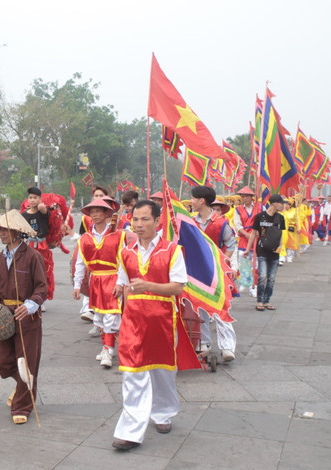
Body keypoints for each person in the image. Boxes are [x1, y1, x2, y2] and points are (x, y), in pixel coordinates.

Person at [110, 200, 200, 450]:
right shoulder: (126, 251)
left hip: (162, 319)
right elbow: (124, 280)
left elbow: (178, 287)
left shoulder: (172, 250)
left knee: (162, 372)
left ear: (157, 220)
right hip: (133, 320)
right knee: (132, 373)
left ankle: (163, 412)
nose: (138, 225)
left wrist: (148, 286)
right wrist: (120, 291)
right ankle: (130, 430)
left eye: (144, 219)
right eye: (135, 219)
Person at [0, 210, 48, 425]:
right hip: (6, 316)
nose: (1, 233)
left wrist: (30, 305)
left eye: (5, 229)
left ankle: (22, 404)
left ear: (17, 231)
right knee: (2, 363)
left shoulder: (33, 256)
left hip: (27, 317)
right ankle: (25, 385)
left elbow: (42, 287)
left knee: (27, 363)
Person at [73, 198, 126, 368]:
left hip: (112, 278)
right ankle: (107, 349)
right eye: (92, 212)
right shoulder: (85, 238)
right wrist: (77, 285)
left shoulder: (118, 235)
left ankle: (108, 350)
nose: (94, 215)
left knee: (111, 315)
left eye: (98, 211)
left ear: (106, 213)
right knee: (100, 316)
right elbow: (80, 264)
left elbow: (124, 261)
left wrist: (120, 282)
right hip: (95, 280)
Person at [190, 186, 237, 362]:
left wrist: (222, 262)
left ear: (202, 201)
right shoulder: (190, 222)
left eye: (193, 198)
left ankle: (227, 347)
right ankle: (204, 344)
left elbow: (231, 244)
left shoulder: (221, 222)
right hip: (197, 272)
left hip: (216, 272)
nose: (191, 201)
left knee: (221, 308)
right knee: (199, 308)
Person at [246, 194, 286, 311]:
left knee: (271, 278)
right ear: (274, 203)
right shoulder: (260, 217)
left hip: (275, 252)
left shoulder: (280, 218)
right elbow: (253, 234)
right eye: (281, 203)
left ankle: (267, 300)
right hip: (262, 250)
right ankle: (260, 301)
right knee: (262, 276)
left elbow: (281, 235)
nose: (283, 205)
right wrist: (248, 250)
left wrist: (280, 248)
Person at [21, 187, 55, 306]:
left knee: (42, 271)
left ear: (40, 199)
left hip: (41, 245)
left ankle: (41, 299)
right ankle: (29, 296)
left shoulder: (43, 212)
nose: (32, 200)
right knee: (27, 271)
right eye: (30, 197)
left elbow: (43, 209)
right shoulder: (23, 215)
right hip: (27, 245)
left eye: (35, 198)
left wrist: (42, 205)